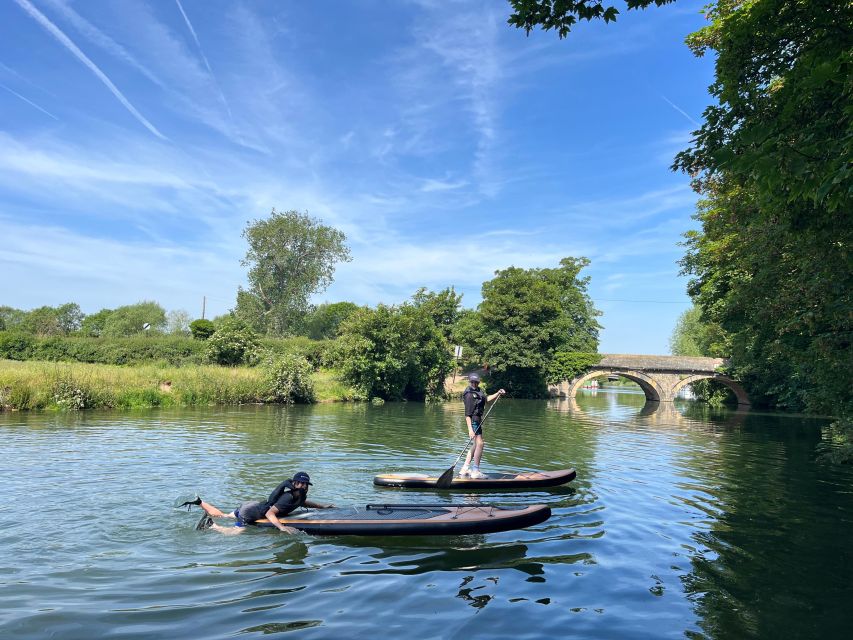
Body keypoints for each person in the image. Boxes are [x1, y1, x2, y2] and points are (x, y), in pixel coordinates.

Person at [181, 471, 334, 534]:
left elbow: (305, 503)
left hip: (251, 505)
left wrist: (323, 506)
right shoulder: (288, 497)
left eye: (305, 485)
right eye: (300, 484)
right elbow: (269, 513)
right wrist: (282, 527)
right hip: (250, 512)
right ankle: (211, 525)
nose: (304, 487)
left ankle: (199, 501)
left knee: (224, 516)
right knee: (236, 533)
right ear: (294, 484)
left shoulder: (299, 496)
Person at [460, 374, 505, 479]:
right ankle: (475, 471)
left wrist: (498, 393)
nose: (474, 384)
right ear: (469, 382)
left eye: (476, 382)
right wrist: (470, 430)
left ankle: (465, 468)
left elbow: (487, 399)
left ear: (478, 382)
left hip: (478, 420)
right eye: (472, 382)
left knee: (476, 445)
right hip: (474, 420)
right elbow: (467, 414)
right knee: (480, 443)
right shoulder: (469, 394)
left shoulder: (479, 391)